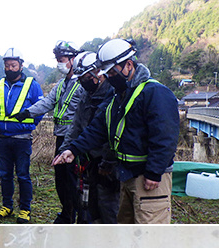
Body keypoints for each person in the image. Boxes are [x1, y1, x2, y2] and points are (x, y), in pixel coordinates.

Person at [53, 39, 179, 224]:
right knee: (125, 228)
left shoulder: (155, 93)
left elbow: (165, 137)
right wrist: (73, 149)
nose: (110, 77)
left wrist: (154, 172)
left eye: (113, 72)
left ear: (129, 64)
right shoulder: (117, 96)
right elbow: (98, 128)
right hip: (127, 175)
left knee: (149, 231)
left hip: (149, 178)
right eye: (107, 73)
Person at [16, 41, 84, 224]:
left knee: (74, 180)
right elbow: (48, 102)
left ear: (73, 60)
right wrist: (28, 112)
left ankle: (78, 216)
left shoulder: (82, 83)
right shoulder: (62, 84)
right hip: (60, 136)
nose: (59, 64)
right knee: (61, 180)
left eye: (62, 60)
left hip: (75, 139)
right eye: (57, 60)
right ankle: (66, 212)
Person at [0, 48, 43, 224]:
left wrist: (31, 124)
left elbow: (41, 106)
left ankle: (25, 209)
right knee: (4, 174)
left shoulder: (31, 84)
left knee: (23, 175)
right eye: (7, 66)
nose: (10, 68)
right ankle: (7, 206)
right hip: (3, 139)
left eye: (13, 65)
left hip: (22, 139)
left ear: (21, 65)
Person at [58, 51, 118, 223]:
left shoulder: (113, 95)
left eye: (85, 77)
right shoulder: (86, 96)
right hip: (89, 159)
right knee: (87, 204)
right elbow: (76, 125)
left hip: (108, 163)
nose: (83, 82)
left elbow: (110, 133)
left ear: (98, 73)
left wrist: (108, 161)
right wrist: (66, 149)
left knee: (109, 207)